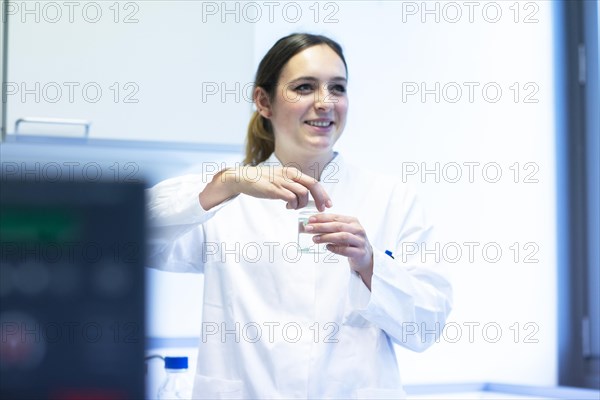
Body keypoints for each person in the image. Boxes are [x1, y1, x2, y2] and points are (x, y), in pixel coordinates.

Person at [147, 33, 452, 399]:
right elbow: (125, 234)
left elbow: (426, 326)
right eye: (305, 87)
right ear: (264, 101)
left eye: (337, 88)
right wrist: (225, 185)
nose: (325, 103)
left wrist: (370, 264)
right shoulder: (229, 197)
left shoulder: (391, 198)